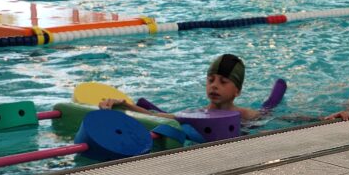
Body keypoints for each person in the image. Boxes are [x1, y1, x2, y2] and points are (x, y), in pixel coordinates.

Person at [100, 54, 264, 121]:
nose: (214, 86)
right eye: (210, 80)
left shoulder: (247, 116)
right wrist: (125, 105)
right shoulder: (197, 115)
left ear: (237, 90)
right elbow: (155, 116)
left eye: (223, 82)